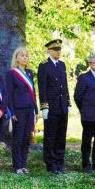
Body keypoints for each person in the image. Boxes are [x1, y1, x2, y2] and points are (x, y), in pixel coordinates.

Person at [37, 39, 70, 174]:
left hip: (62, 105)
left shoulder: (62, 65)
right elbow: (42, 87)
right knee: (51, 135)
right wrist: (44, 106)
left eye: (59, 49)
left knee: (61, 135)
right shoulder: (44, 66)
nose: (58, 52)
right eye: (56, 50)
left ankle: (59, 162)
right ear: (49, 51)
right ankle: (50, 163)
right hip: (51, 106)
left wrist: (68, 102)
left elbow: (65, 85)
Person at [6, 47, 38, 175]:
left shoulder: (29, 73)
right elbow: (9, 94)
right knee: (18, 138)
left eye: (26, 55)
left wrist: (36, 110)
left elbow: (33, 93)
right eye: (22, 55)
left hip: (30, 109)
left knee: (26, 137)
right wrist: (12, 112)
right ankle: (17, 165)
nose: (25, 57)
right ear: (17, 58)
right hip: (18, 110)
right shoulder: (11, 74)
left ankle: (24, 164)